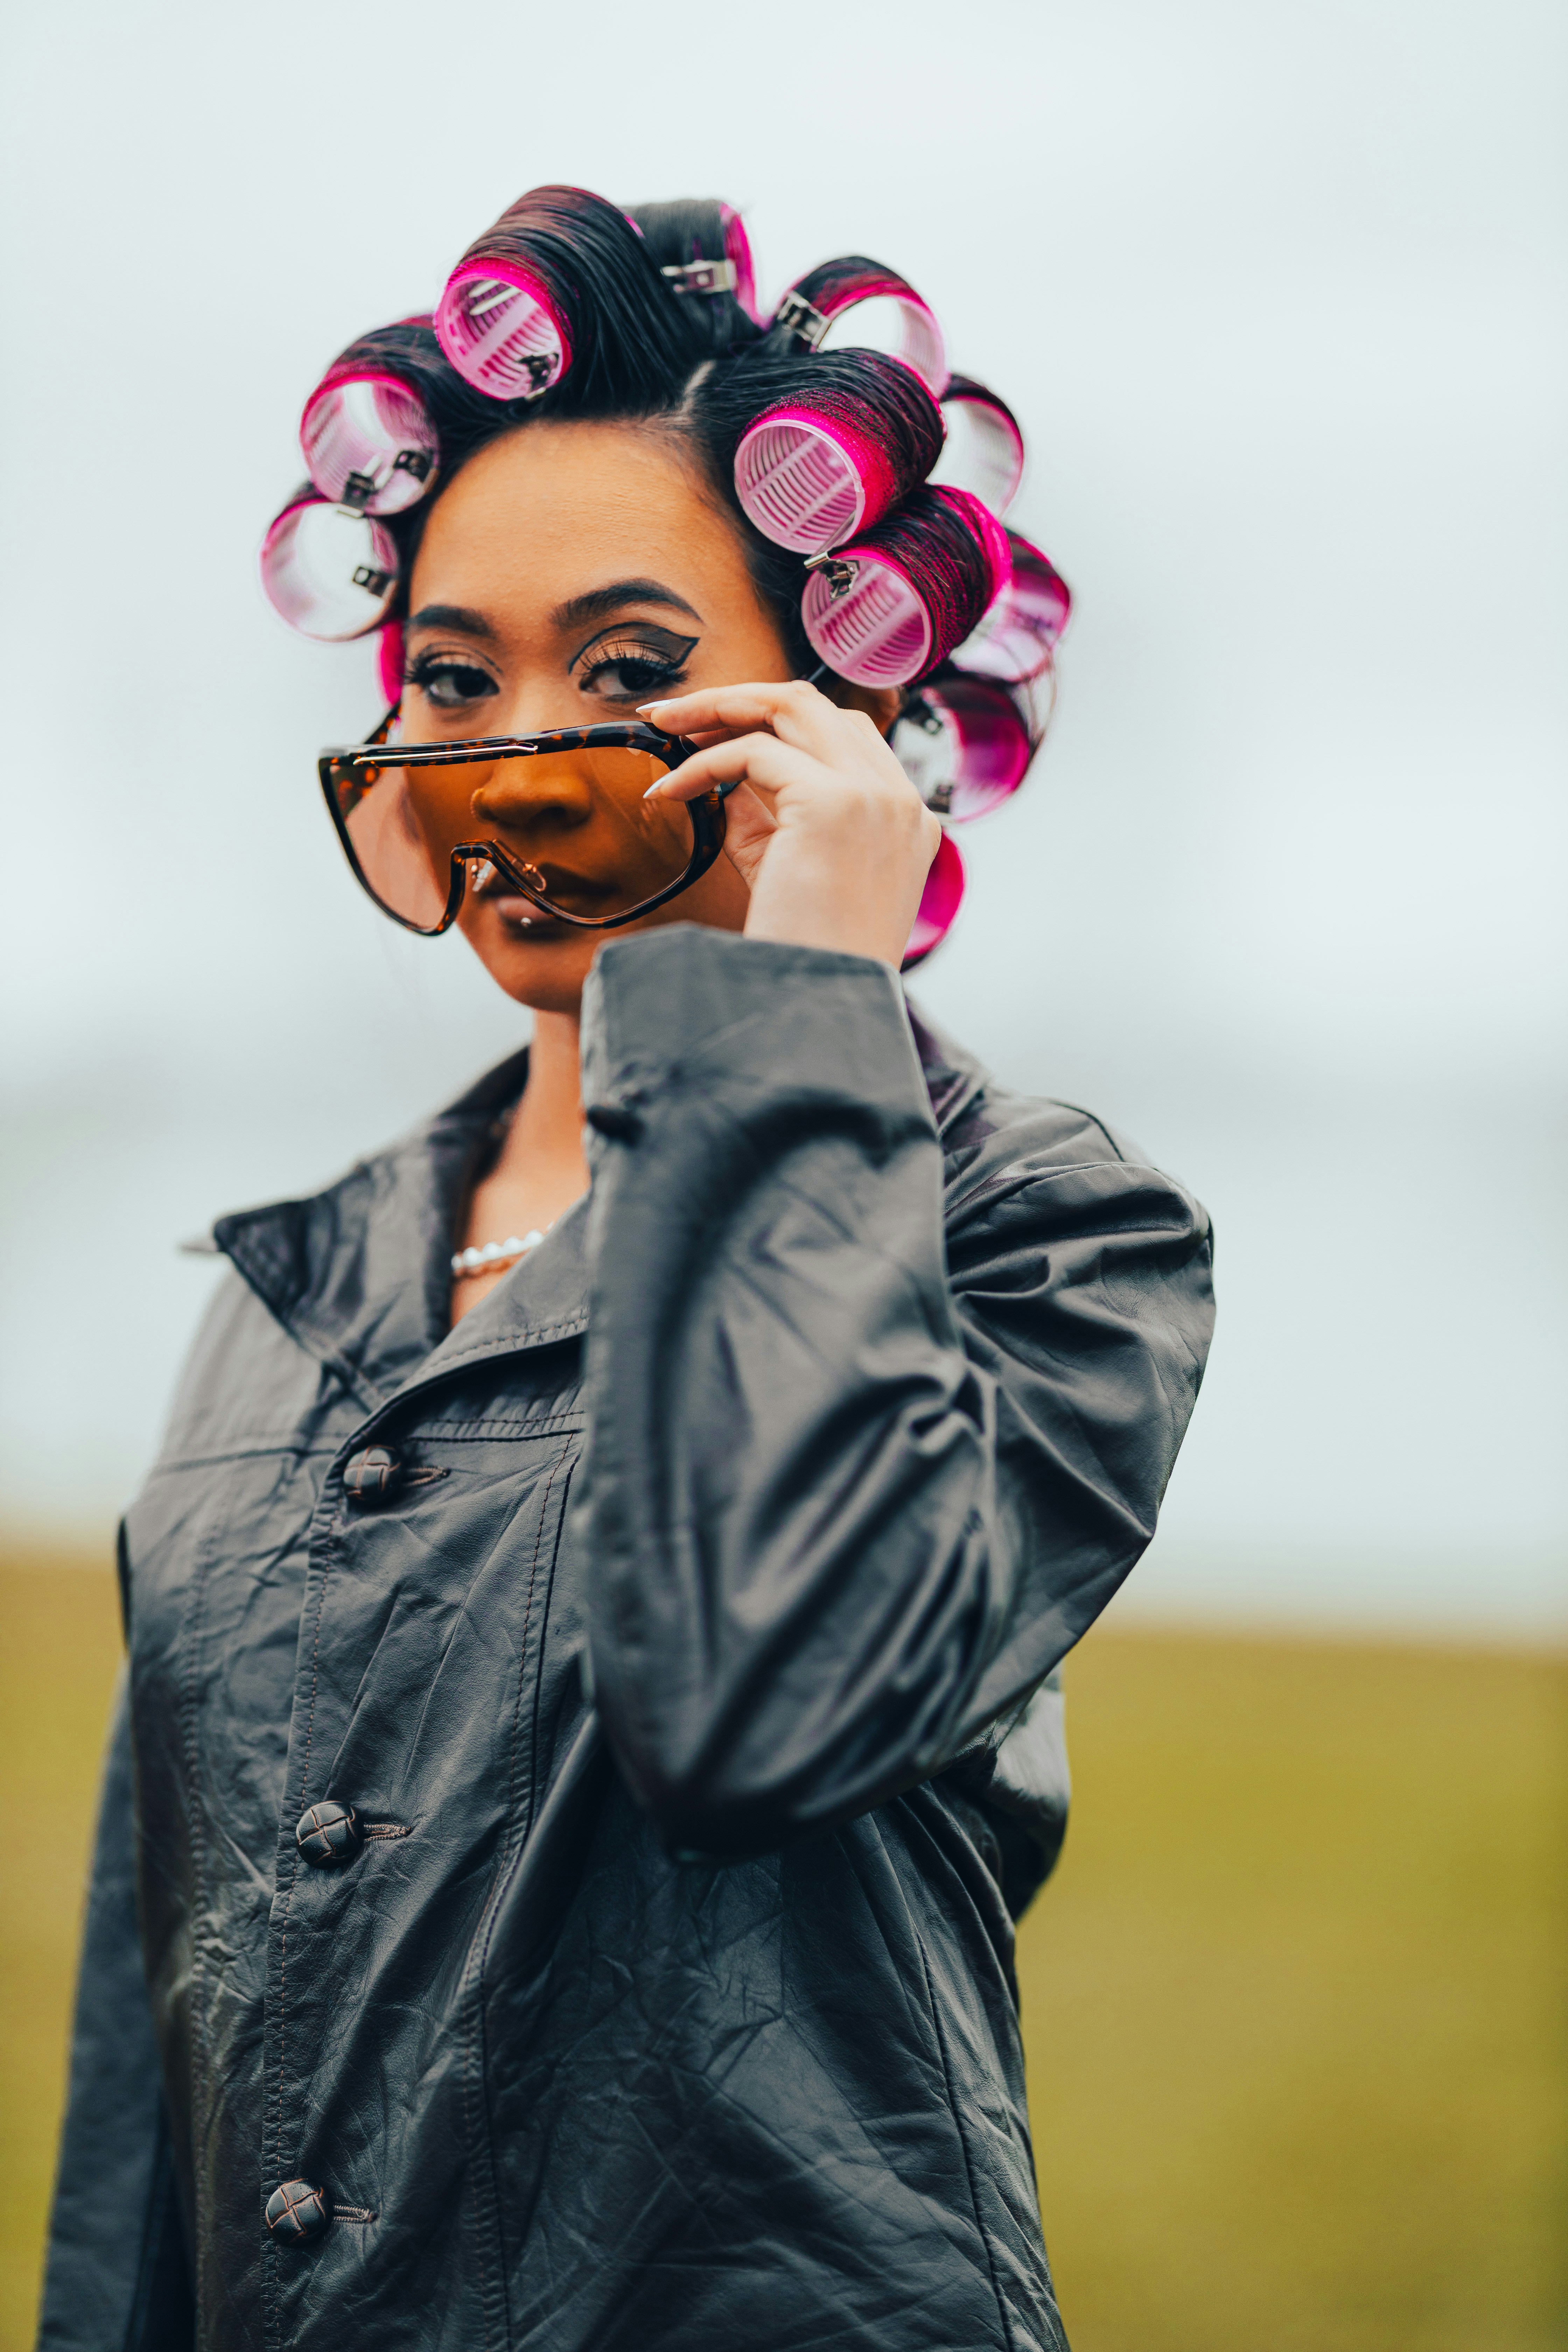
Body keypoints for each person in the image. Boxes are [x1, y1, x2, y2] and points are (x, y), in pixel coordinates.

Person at [39, 188, 1214, 2352]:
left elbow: (767, 1702)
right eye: (456, 677)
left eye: (635, 672)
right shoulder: (294, 1287)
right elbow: (159, 2039)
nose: (514, 760)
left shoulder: (1042, 1231)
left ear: (848, 704)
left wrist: (801, 1009)